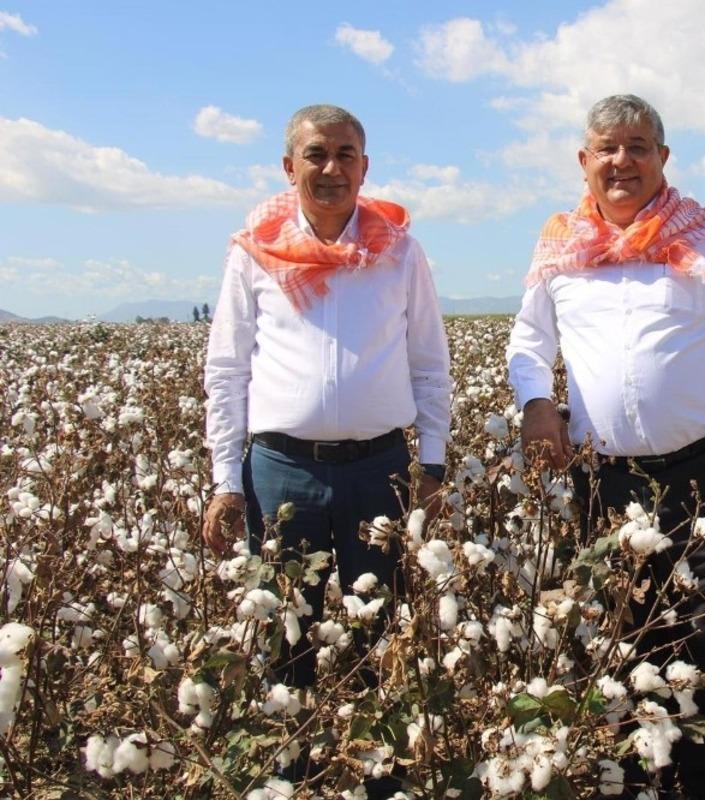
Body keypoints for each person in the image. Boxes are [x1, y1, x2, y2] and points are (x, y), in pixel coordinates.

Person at [507, 94, 705, 798]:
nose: (622, 161)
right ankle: (633, 781)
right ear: (584, 162)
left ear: (662, 159)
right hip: (606, 482)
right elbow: (528, 341)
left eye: (639, 146)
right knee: (618, 636)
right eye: (607, 148)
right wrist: (539, 404)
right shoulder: (559, 248)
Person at [202, 105, 451, 791]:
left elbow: (429, 363)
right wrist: (226, 478)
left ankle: (383, 780)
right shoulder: (254, 250)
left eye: (346, 155)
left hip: (380, 469)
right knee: (285, 637)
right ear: (290, 168)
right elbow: (227, 369)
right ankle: (291, 775)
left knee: (383, 635)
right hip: (280, 470)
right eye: (317, 155)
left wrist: (431, 465)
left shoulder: (399, 250)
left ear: (365, 169)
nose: (332, 168)